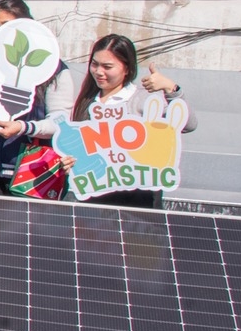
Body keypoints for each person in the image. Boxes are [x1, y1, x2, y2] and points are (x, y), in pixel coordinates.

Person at [63, 34, 196, 208]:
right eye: (94, 64)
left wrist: (171, 87)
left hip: (140, 204)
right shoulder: (86, 102)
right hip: (95, 203)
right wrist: (69, 163)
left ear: (127, 68)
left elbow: (188, 124)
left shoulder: (144, 99)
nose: (99, 72)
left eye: (107, 66)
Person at [0, 0, 79, 191]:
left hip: (30, 174)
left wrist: (23, 127)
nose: (0, 32)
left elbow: (59, 120)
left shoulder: (53, 68)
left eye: (7, 25)